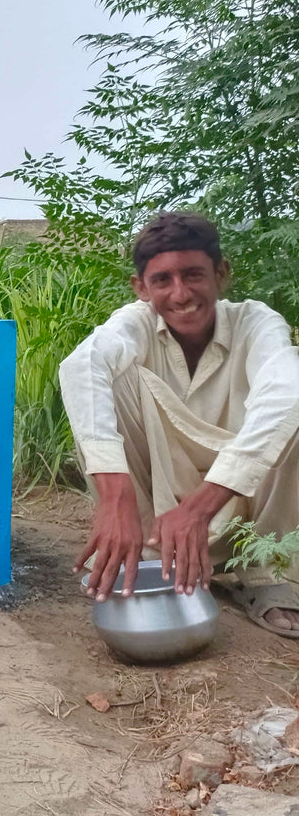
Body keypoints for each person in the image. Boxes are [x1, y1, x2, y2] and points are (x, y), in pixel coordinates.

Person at [60, 211, 299, 637]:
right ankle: (143, 555)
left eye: (193, 275)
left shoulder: (255, 322)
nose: (181, 294)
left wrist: (199, 508)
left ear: (221, 274)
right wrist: (116, 497)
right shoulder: (135, 324)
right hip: (159, 515)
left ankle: (265, 572)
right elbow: (82, 366)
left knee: (291, 402)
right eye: (163, 281)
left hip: (241, 507)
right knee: (107, 377)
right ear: (141, 287)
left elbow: (286, 393)